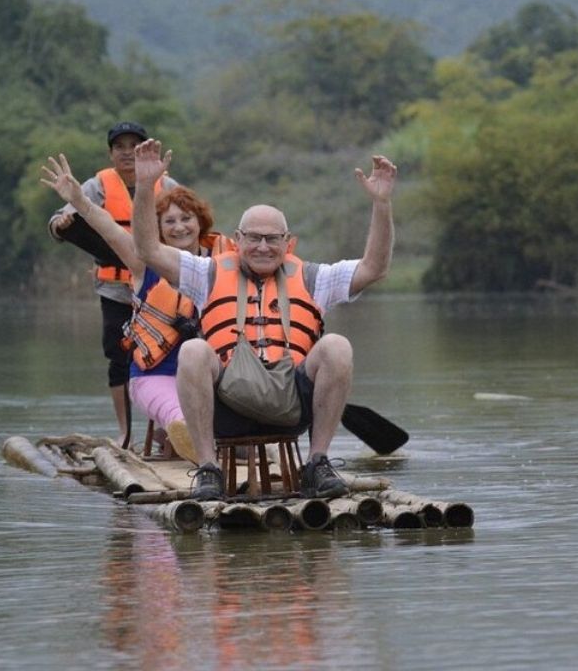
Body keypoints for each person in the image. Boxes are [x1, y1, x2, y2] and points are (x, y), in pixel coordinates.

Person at [131, 138, 397, 500]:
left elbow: (374, 267)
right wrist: (145, 187)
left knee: (337, 346)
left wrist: (381, 204)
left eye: (273, 239)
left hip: (291, 404)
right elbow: (147, 248)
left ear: (289, 244)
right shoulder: (205, 274)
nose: (262, 247)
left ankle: (317, 463)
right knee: (193, 349)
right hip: (226, 406)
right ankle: (208, 469)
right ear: (237, 240)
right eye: (253, 238)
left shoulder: (314, 277)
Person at [41, 153, 228, 461]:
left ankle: (205, 439)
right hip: (155, 375)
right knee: (180, 416)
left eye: (186, 219)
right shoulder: (143, 264)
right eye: (169, 221)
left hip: (209, 374)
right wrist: (79, 201)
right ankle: (186, 437)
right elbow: (109, 230)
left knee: (244, 404)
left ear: (201, 223)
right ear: (157, 230)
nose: (179, 227)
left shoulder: (223, 266)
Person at [47, 122, 180, 447]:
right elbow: (60, 219)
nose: (126, 152)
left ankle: (165, 430)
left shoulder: (167, 183)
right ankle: (125, 433)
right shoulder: (97, 186)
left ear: (144, 150)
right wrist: (62, 222)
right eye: (119, 146)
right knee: (118, 356)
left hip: (157, 289)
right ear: (110, 153)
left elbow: (187, 220)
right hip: (116, 290)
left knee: (164, 353)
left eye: (134, 145)